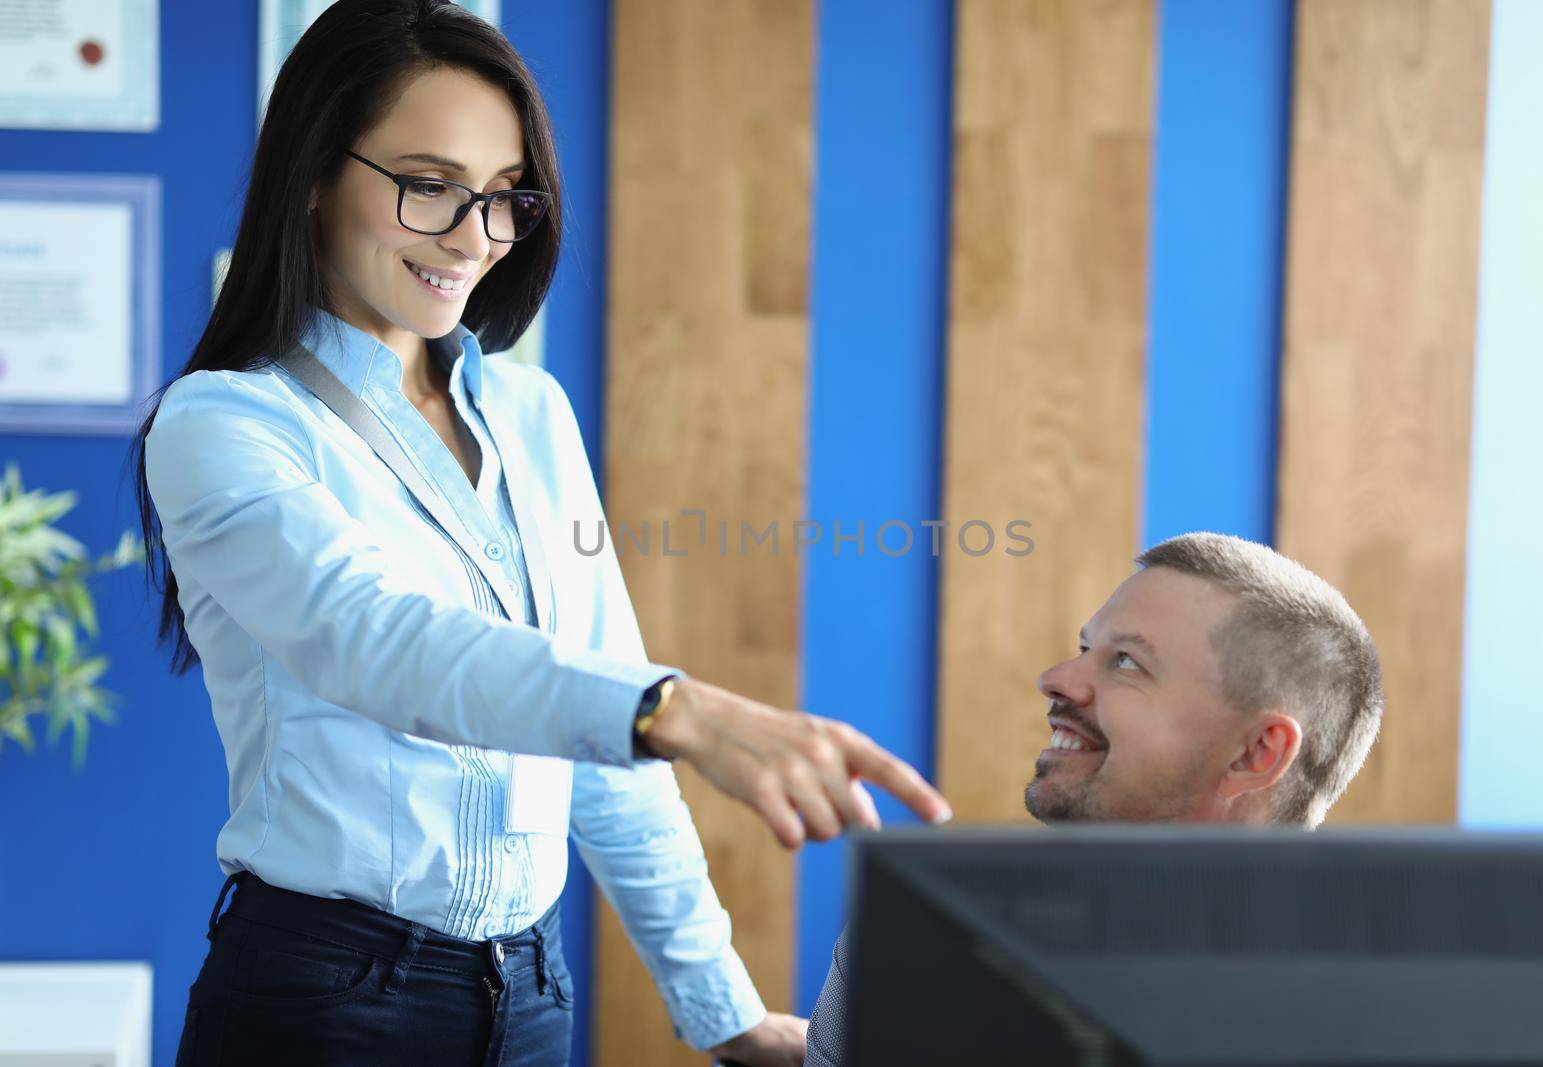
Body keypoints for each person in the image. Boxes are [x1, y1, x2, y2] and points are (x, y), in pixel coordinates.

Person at [131, 3, 949, 1065]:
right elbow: (380, 641)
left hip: (526, 997)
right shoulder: (225, 423)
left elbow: (599, 735)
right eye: (427, 184)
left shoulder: (531, 414)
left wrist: (724, 1010)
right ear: (316, 173)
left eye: (504, 196)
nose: (474, 236)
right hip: (323, 998)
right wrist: (673, 707)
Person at [802, 531, 1384, 1066]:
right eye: (1084, 648)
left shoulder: (1373, 1004)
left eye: (1126, 662)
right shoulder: (924, 942)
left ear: (1256, 753)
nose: (1056, 678)